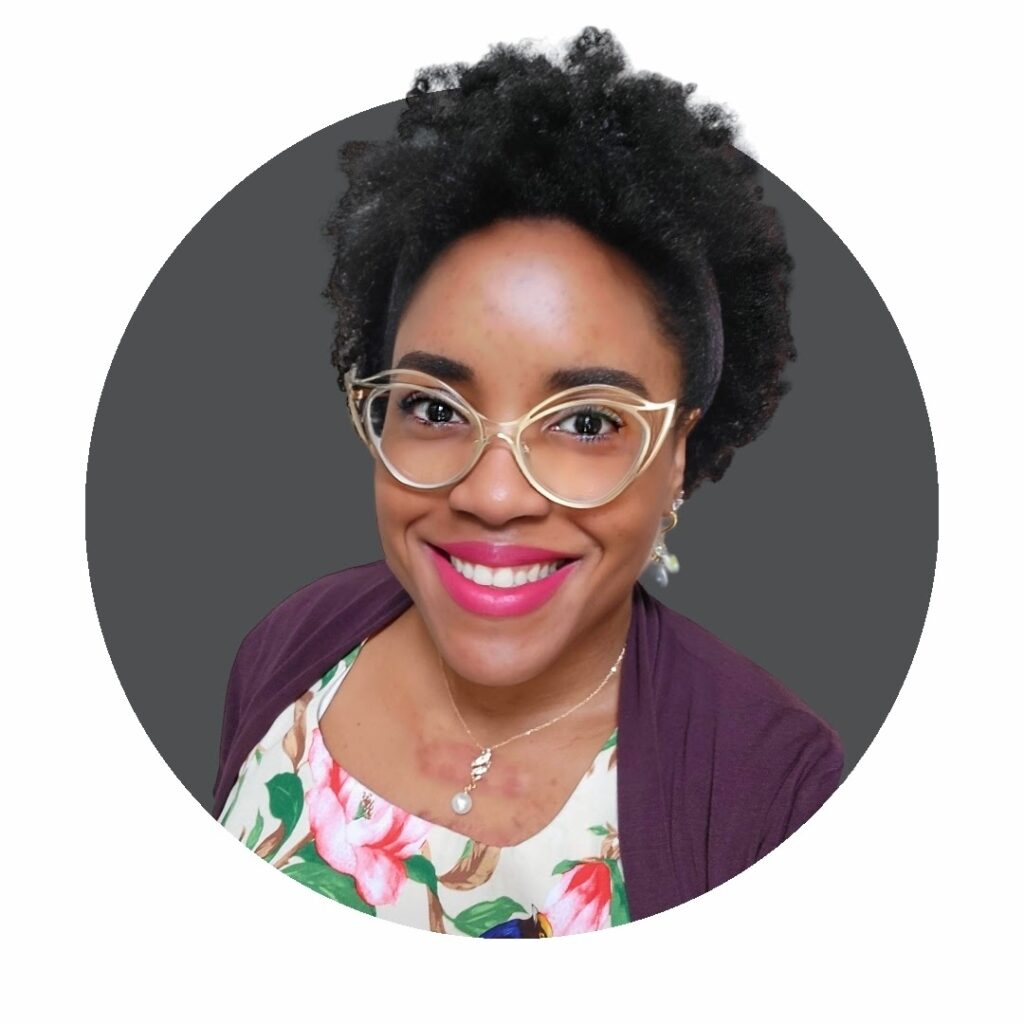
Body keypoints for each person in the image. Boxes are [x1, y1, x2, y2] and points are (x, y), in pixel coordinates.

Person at [213, 26, 843, 937]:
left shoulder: (777, 792)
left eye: (585, 423)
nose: (495, 495)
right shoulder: (289, 651)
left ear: (677, 457)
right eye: (435, 408)